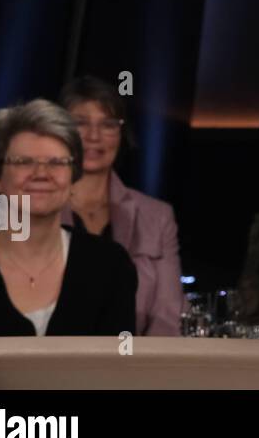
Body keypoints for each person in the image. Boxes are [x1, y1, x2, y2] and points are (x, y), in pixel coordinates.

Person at [0, 99, 136, 337]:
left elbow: (120, 366)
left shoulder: (111, 267)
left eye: (57, 163)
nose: (41, 174)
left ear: (73, 179)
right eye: (24, 162)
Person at [57, 75, 182, 336]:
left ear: (122, 133)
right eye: (80, 123)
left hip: (135, 366)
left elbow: (168, 318)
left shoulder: (157, 216)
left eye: (108, 124)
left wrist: (138, 372)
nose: (93, 136)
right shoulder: (34, 207)